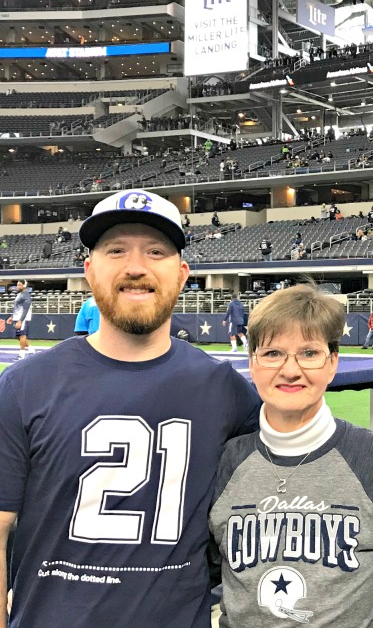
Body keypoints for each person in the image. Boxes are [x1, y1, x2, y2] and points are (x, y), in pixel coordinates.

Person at [0, 189, 260, 628]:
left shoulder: (227, 392)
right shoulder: (24, 386)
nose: (136, 267)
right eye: (116, 250)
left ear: (181, 274)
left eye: (155, 251)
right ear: (88, 270)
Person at [209, 285, 373, 628]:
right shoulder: (225, 461)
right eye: (273, 353)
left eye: (309, 353)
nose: (290, 370)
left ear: (333, 361)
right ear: (252, 362)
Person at [6, 279, 32, 359]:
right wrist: (12, 317)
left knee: (22, 335)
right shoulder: (20, 294)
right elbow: (16, 307)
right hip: (17, 317)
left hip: (22, 318)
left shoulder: (26, 295)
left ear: (24, 285)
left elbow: (25, 309)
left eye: (20, 285)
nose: (18, 286)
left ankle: (22, 354)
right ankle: (31, 349)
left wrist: (21, 320)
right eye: (17, 285)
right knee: (18, 336)